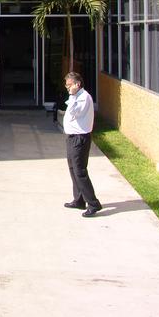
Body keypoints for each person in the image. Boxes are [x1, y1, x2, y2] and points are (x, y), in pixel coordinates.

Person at [62, 71, 102, 217]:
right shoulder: (77, 96)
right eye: (66, 85)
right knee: (73, 169)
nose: (67, 88)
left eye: (69, 85)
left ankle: (93, 203)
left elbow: (74, 113)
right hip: (72, 138)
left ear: (77, 84)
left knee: (80, 172)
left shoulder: (83, 98)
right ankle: (79, 200)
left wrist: (72, 96)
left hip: (80, 139)